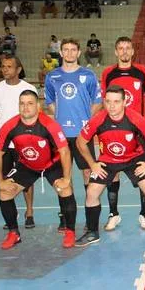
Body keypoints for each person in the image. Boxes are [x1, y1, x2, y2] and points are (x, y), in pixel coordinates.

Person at [74, 85, 145, 246]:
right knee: (91, 193)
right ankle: (92, 232)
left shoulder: (136, 118)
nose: (112, 106)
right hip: (108, 160)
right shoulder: (98, 119)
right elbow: (80, 141)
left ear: (124, 102)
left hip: (133, 159)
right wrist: (93, 164)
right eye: (108, 101)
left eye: (116, 102)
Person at [0, 90, 77, 249]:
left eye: (30, 103)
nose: (25, 107)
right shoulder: (10, 126)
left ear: (38, 106)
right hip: (27, 166)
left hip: (52, 165)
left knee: (65, 190)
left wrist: (66, 178)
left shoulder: (49, 125)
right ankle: (13, 233)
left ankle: (70, 232)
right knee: (4, 193)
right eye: (22, 103)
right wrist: (0, 181)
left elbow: (65, 151)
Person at [44, 38, 102, 232]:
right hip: (61, 136)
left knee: (87, 172)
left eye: (73, 50)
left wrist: (86, 120)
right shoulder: (52, 76)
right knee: (62, 177)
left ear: (78, 53)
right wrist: (60, 119)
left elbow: (97, 100)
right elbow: (50, 101)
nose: (69, 53)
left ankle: (88, 216)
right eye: (66, 50)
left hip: (82, 135)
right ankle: (65, 217)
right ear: (61, 53)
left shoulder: (88, 75)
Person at [100, 36, 145, 230]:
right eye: (120, 48)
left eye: (127, 48)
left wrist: (142, 115)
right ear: (116, 52)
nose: (124, 51)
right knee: (112, 172)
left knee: (141, 170)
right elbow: (105, 99)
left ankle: (144, 213)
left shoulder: (141, 71)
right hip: (114, 128)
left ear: (132, 52)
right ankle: (113, 213)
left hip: (137, 131)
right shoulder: (108, 73)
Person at [0, 55, 38, 230]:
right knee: (4, 180)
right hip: (4, 145)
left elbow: (33, 116)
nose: (5, 69)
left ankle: (30, 212)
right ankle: (12, 214)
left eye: (9, 66)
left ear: (18, 69)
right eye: (3, 66)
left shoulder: (29, 88)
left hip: (24, 143)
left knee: (27, 181)